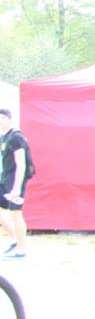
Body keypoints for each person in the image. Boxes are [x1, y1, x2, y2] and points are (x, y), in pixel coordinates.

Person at [0, 107, 30, 258]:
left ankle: (21, 250)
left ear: (9, 119)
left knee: (15, 213)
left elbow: (21, 164)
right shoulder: (4, 137)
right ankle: (14, 240)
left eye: (2, 118)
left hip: (15, 181)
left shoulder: (16, 137)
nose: (0, 122)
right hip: (4, 179)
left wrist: (17, 188)